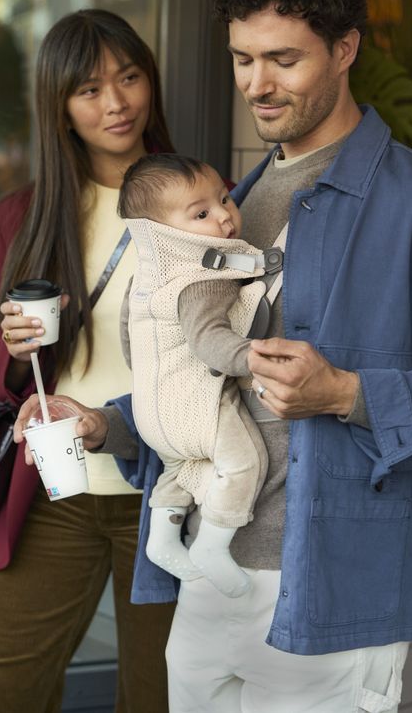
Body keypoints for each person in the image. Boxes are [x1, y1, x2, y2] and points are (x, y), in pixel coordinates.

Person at [15, 0, 412, 713]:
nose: (258, 83)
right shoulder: (228, 206)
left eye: (284, 59)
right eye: (243, 59)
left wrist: (345, 393)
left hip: (333, 581)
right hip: (207, 570)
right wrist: (104, 426)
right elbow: (206, 384)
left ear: (345, 50)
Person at [0, 9, 176, 713]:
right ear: (61, 107)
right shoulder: (26, 214)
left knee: (161, 698)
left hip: (169, 494)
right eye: (89, 89)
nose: (116, 103)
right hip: (57, 486)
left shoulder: (203, 201)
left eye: (129, 77)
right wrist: (18, 351)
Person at [118, 152, 270, 597]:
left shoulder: (145, 280)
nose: (224, 215)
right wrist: (252, 358)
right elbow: (209, 341)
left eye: (224, 199)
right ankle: (213, 545)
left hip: (152, 413)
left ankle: (163, 539)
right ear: (163, 231)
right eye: (201, 214)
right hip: (196, 407)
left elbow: (129, 340)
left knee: (180, 470)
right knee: (244, 462)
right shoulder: (201, 277)